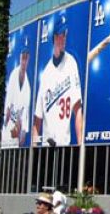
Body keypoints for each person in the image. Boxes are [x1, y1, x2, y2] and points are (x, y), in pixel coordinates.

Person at [33, 14, 83, 146]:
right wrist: (34, 150)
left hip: (64, 146)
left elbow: (77, 108)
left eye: (65, 34)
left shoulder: (71, 63)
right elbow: (37, 120)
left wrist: (80, 145)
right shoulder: (46, 74)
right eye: (61, 34)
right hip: (46, 148)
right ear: (54, 37)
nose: (64, 38)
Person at [1, 36, 31, 147]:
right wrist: (6, 125)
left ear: (28, 60)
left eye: (26, 58)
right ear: (20, 58)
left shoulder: (28, 86)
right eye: (23, 57)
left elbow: (25, 114)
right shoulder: (14, 75)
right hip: (7, 132)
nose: (24, 61)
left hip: (16, 137)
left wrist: (22, 133)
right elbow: (8, 108)